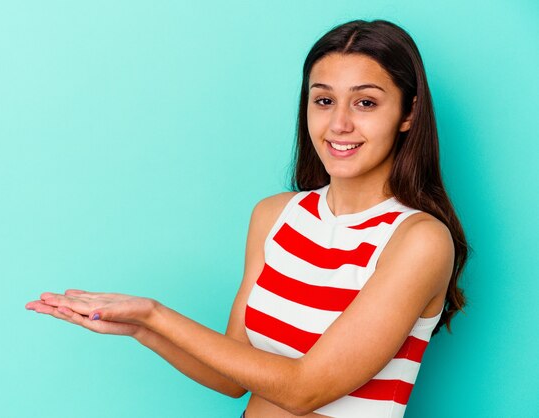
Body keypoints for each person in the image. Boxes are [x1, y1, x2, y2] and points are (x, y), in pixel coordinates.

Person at [26, 19, 468, 418]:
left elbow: (304, 391)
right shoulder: (275, 216)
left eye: (366, 103)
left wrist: (157, 315)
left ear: (408, 113)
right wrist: (141, 328)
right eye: (324, 100)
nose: (339, 123)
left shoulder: (418, 240)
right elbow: (233, 377)